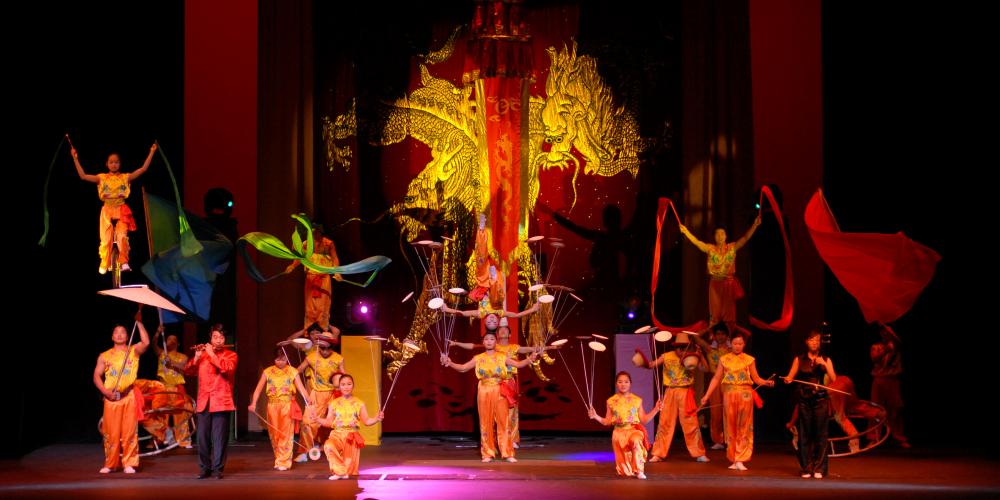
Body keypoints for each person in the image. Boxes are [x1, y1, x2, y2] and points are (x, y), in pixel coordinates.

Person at [449, 318, 560, 449]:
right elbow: (470, 350)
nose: (502, 331)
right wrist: (456, 345)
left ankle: (511, 440)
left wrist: (549, 347)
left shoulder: (513, 348)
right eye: (500, 330)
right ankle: (492, 443)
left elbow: (530, 350)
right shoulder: (490, 346)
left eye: (505, 330)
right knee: (488, 415)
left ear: (509, 334)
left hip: (508, 380)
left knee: (510, 412)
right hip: (488, 385)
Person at [443, 330, 538, 462]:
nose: (489, 341)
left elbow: (517, 364)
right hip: (483, 390)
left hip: (499, 389)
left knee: (503, 421)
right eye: (486, 339)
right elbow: (463, 368)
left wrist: (529, 359)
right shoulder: (478, 357)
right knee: (485, 422)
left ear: (496, 342)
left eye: (492, 339)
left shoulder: (502, 356)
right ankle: (487, 453)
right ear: (483, 342)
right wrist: (450, 362)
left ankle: (508, 453)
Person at [71, 143, 156, 274]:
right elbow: (83, 176)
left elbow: (143, 169)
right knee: (106, 239)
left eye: (116, 162)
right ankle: (104, 262)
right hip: (107, 210)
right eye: (111, 162)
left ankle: (124, 261)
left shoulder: (125, 177)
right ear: (107, 164)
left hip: (121, 209)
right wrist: (75, 158)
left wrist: (152, 151)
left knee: (122, 236)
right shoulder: (101, 178)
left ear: (119, 164)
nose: (114, 164)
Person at [700, 331, 774, 471]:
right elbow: (716, 378)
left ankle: (741, 458)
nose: (738, 346)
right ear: (731, 343)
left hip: (745, 395)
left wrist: (766, 382)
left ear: (744, 344)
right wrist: (707, 396)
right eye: (735, 343)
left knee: (744, 427)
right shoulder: (724, 359)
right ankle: (734, 457)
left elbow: (756, 378)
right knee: (730, 426)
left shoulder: (749, 359)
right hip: (729, 394)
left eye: (740, 343)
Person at [93, 311, 150, 474]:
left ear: (127, 335)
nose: (119, 334)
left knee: (129, 431)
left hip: (129, 396)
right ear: (112, 336)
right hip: (111, 398)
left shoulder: (133, 351)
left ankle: (129, 463)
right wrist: (105, 391)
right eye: (116, 332)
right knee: (111, 432)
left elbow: (146, 342)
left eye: (123, 332)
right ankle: (111, 463)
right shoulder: (104, 356)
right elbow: (96, 375)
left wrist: (139, 322)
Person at [678, 217, 760, 328]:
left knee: (729, 314)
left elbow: (745, 238)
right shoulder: (710, 249)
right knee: (715, 314)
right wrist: (686, 232)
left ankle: (729, 338)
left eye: (722, 234)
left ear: (726, 236)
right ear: (714, 237)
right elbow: (697, 242)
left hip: (728, 284)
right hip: (715, 285)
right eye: (717, 234)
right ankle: (714, 340)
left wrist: (754, 225)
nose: (720, 236)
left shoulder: (732, 248)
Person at [643, 331, 709, 463]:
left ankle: (699, 453)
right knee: (665, 422)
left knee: (691, 423)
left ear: (688, 347)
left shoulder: (692, 357)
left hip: (686, 392)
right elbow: (651, 365)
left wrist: (701, 356)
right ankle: (658, 453)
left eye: (684, 347)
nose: (681, 349)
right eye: (678, 347)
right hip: (670, 392)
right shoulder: (667, 356)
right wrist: (642, 360)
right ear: (675, 347)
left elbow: (705, 369)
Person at [185, 324, 238, 479]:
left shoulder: (231, 355)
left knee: (219, 438)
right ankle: (204, 468)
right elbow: (189, 371)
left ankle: (217, 470)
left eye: (221, 338)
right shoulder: (202, 355)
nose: (219, 340)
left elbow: (227, 369)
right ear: (210, 337)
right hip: (204, 401)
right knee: (202, 438)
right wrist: (196, 357)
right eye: (215, 337)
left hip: (221, 401)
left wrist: (212, 355)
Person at [782, 328, 836, 479]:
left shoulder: (826, 359)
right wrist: (787, 379)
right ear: (807, 342)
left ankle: (819, 468)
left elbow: (833, 378)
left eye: (817, 340)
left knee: (821, 434)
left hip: (820, 399)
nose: (814, 343)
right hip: (804, 399)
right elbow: (790, 377)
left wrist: (824, 366)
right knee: (804, 435)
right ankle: (806, 468)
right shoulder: (799, 359)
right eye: (812, 340)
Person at [588, 371, 661, 479]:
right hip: (618, 434)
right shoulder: (611, 401)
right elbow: (607, 421)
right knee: (625, 473)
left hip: (633, 429)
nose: (623, 384)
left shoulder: (637, 400)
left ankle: (639, 470)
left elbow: (644, 420)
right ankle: (630, 470)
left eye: (626, 382)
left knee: (636, 440)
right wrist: (596, 416)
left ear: (630, 383)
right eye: (620, 382)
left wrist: (656, 409)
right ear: (616, 384)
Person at [249, 347, 311, 470]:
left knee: (286, 434)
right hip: (272, 406)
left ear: (287, 359)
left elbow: (301, 389)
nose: (280, 362)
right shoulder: (268, 371)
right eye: (278, 359)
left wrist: (308, 400)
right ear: (274, 359)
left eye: (283, 359)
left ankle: (284, 462)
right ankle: (279, 459)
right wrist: (253, 403)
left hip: (287, 406)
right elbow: (258, 389)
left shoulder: (292, 371)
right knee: (274, 434)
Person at [317, 374, 384, 480]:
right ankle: (339, 471)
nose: (346, 387)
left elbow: (366, 421)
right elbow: (329, 422)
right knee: (328, 446)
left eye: (349, 384)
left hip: (351, 436)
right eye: (343, 384)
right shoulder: (334, 403)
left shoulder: (359, 403)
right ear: (339, 386)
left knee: (350, 472)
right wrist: (317, 419)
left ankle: (343, 476)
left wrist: (376, 418)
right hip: (337, 434)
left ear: (353, 386)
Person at [296, 331, 345, 462]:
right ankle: (304, 451)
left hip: (333, 395)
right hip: (316, 394)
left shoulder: (338, 358)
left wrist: (343, 392)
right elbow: (296, 372)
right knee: (307, 422)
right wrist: (303, 391)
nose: (324, 351)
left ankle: (333, 448)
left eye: (327, 348)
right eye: (322, 348)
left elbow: (343, 376)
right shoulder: (311, 357)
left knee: (334, 423)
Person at [285, 226, 341, 329]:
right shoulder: (307, 244)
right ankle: (309, 330)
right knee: (310, 305)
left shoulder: (328, 243)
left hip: (324, 277)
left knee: (323, 305)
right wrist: (292, 266)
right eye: (312, 233)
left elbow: (334, 258)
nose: (314, 235)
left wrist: (337, 272)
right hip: (311, 277)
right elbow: (300, 257)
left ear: (320, 232)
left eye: (316, 232)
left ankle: (323, 329)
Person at [691, 323, 732, 449]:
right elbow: (696, 337)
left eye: (723, 334)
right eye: (718, 334)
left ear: (727, 335)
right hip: (715, 381)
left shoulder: (732, 349)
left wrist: (733, 326)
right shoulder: (710, 349)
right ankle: (718, 440)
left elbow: (747, 336)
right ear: (714, 336)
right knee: (716, 412)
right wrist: (709, 328)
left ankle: (730, 439)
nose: (720, 337)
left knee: (729, 411)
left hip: (730, 382)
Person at [151, 326, 193, 448]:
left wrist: (172, 363)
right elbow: (153, 344)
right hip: (163, 388)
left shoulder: (182, 356)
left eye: (174, 339)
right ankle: (162, 438)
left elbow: (184, 366)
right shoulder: (161, 353)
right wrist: (158, 333)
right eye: (168, 339)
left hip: (176, 388)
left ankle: (184, 440)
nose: (171, 340)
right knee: (160, 413)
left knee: (180, 414)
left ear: (178, 343)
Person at [870, 323, 910, 448]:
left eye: (887, 331)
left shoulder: (896, 345)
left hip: (893, 380)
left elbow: (899, 342)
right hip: (879, 380)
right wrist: (885, 349)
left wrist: (889, 330)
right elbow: (874, 359)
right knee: (875, 409)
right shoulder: (877, 346)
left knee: (896, 408)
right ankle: (873, 437)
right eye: (883, 331)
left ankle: (899, 437)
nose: (885, 333)